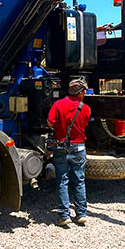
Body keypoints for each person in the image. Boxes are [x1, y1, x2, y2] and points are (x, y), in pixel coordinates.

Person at [47, 77, 91, 226]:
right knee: (79, 180)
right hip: (79, 148)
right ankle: (81, 214)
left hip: (61, 147)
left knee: (62, 181)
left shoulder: (58, 104)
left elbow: (50, 122)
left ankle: (64, 216)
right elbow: (84, 124)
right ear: (80, 92)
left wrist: (59, 128)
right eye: (84, 90)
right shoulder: (85, 108)